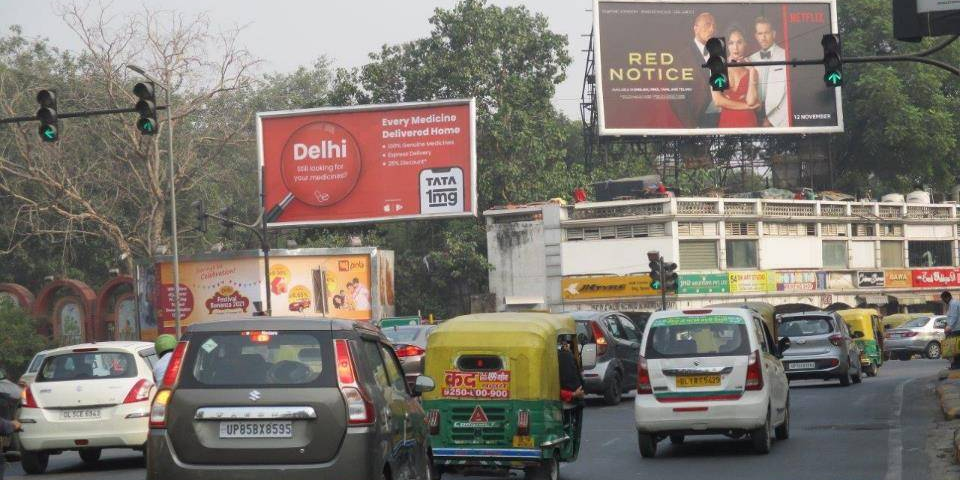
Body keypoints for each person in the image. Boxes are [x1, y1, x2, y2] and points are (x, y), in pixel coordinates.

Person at [670, 12, 720, 128]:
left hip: (723, 117)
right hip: (700, 121)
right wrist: (692, 128)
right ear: (695, 29)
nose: (712, 29)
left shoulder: (720, 52)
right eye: (707, 25)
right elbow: (676, 97)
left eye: (714, 26)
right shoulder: (682, 57)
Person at [715, 26, 760, 128]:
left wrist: (752, 71)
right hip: (726, 123)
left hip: (749, 123)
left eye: (739, 42)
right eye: (731, 43)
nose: (735, 47)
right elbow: (718, 101)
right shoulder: (718, 67)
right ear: (727, 46)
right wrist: (747, 107)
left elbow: (751, 101)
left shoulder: (752, 71)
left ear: (745, 44)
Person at [747, 17, 788, 128]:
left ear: (773, 34)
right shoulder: (750, 59)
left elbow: (788, 93)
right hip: (753, 113)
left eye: (767, 33)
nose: (763, 38)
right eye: (760, 34)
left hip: (778, 118)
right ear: (756, 36)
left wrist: (772, 120)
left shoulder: (785, 55)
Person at [942, 292, 960, 369]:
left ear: (947, 297)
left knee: (954, 348)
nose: (944, 301)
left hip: (956, 329)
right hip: (956, 329)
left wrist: (948, 327)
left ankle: (956, 365)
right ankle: (956, 364)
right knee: (956, 348)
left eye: (943, 299)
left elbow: (954, 317)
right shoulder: (954, 303)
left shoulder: (953, 304)